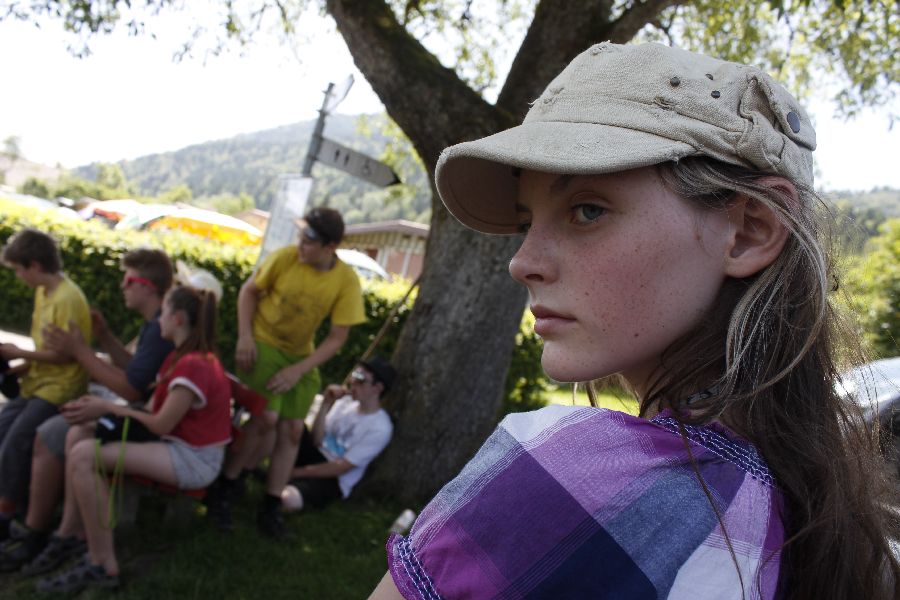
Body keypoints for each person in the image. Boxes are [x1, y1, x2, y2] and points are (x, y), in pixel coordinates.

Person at [371, 43, 900, 599]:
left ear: (750, 231)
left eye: (587, 210)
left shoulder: (571, 477)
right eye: (527, 222)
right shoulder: (830, 523)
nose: (522, 262)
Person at [34, 285, 232, 594]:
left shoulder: (193, 366)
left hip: (193, 459)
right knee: (79, 432)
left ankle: (102, 564)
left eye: (163, 313)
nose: (158, 320)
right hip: (175, 443)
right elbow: (152, 412)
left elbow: (160, 423)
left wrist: (107, 409)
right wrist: (99, 415)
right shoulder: (182, 356)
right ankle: (73, 533)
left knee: (85, 455)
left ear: (178, 318)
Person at [0, 248, 174, 573]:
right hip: (143, 412)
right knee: (55, 429)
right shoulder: (155, 324)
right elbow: (135, 371)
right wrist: (104, 337)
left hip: (149, 422)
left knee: (48, 436)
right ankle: (54, 528)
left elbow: (130, 389)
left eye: (127, 281)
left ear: (146, 286)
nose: (122, 287)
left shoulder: (159, 329)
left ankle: (35, 532)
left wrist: (80, 351)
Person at [208, 207, 366, 538]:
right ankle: (225, 485)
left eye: (309, 240)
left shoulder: (345, 280)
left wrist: (298, 370)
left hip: (299, 357)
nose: (300, 245)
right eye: (301, 236)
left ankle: (271, 505)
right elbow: (249, 291)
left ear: (330, 247)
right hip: (263, 343)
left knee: (293, 430)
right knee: (266, 418)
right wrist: (245, 337)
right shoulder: (285, 258)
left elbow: (337, 337)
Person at [0, 229, 90, 541]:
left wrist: (19, 353)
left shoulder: (67, 299)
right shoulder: (44, 292)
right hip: (38, 382)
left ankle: (8, 511)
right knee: (4, 429)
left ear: (35, 265)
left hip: (61, 387)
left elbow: (67, 355)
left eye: (19, 270)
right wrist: (20, 368)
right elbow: (46, 348)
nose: (18, 276)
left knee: (17, 441)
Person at [281, 356, 396, 513]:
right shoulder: (345, 402)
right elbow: (316, 440)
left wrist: (295, 473)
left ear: (377, 388)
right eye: (354, 375)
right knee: (292, 423)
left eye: (360, 379)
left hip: (334, 479)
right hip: (315, 456)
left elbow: (341, 467)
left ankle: (280, 480)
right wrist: (326, 404)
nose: (353, 382)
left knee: (288, 500)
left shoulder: (380, 428)